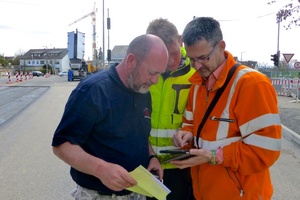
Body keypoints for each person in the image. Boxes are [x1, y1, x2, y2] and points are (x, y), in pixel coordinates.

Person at [172, 17, 282, 200]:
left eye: (203, 58)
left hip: (241, 194)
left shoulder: (252, 85)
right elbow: (190, 124)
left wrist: (214, 156)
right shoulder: (197, 85)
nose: (197, 66)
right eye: (191, 59)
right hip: (204, 192)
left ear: (221, 46)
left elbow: (266, 150)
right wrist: (186, 134)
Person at [51, 34, 169, 200]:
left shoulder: (143, 91)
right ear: (131, 61)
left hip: (138, 192)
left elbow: (141, 134)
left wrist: (152, 157)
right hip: (99, 195)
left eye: (160, 74)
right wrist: (101, 169)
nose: (156, 81)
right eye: (152, 72)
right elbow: (61, 146)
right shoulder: (92, 91)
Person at [146, 18, 195, 200]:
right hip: (148, 166)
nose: (171, 61)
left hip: (183, 167)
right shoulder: (143, 74)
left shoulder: (196, 74)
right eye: (163, 55)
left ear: (180, 40)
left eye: (174, 53)